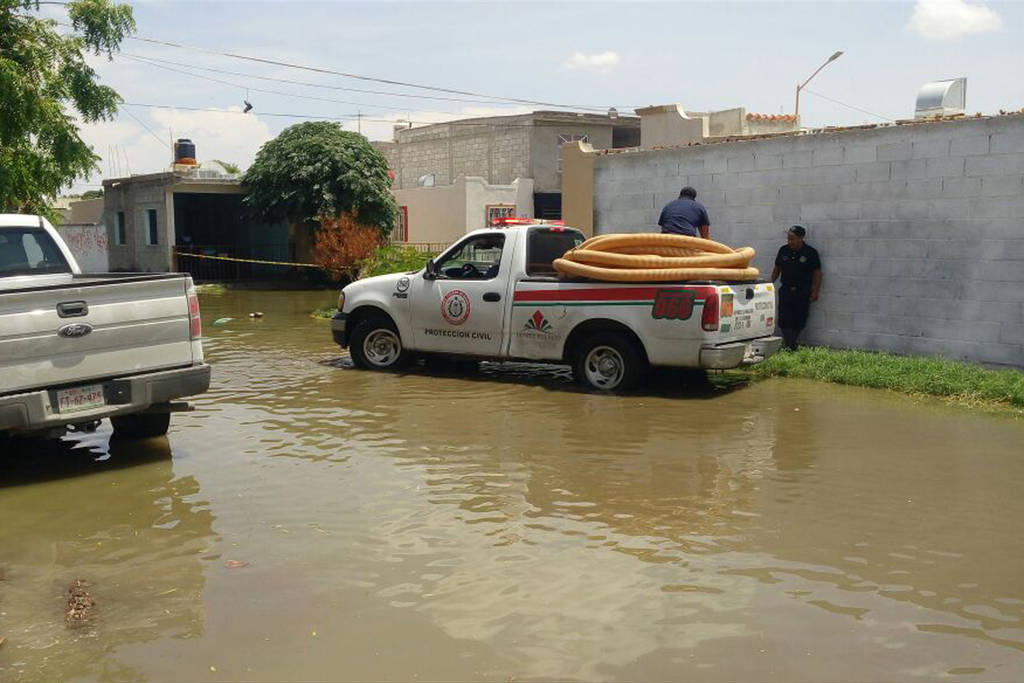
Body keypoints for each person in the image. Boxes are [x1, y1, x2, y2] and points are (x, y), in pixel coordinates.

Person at [771, 225, 822, 351]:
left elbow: (817, 273)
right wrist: (769, 283)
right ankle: (790, 345)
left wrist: (815, 290)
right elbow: (777, 268)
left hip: (802, 291)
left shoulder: (810, 252)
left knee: (799, 318)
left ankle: (790, 344)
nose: (790, 241)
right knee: (784, 319)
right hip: (786, 290)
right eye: (788, 239)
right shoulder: (783, 250)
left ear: (801, 238)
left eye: (793, 239)